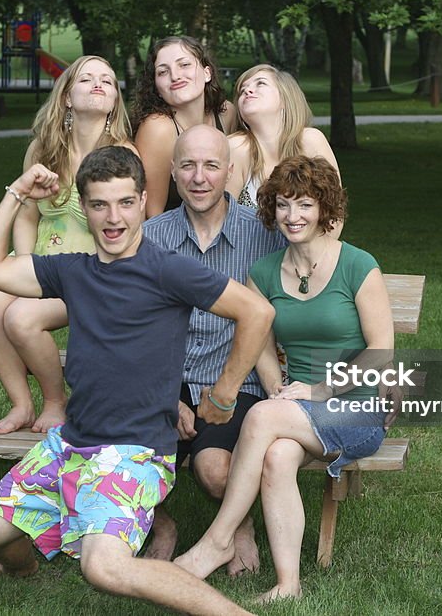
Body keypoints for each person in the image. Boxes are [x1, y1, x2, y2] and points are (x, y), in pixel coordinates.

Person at [0, 146, 273, 616]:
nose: (113, 217)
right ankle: (24, 569)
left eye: (125, 203)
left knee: (103, 568)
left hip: (134, 450)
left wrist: (224, 393)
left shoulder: (166, 268)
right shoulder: (74, 270)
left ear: (144, 201)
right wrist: (18, 193)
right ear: (83, 208)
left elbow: (256, 311)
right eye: (100, 204)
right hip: (71, 443)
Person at [175, 155, 402, 603]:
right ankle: (288, 584)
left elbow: (381, 352)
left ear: (324, 210)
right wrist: (279, 387)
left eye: (304, 205)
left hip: (356, 405)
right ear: (271, 210)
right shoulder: (263, 273)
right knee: (277, 456)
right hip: (297, 408)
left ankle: (217, 540)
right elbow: (259, 343)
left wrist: (319, 391)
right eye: (283, 205)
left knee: (261, 419)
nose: (293, 217)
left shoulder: (357, 265)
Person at [143, 125, 286, 572]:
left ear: (230, 174)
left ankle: (235, 527)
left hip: (235, 381)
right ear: (172, 172)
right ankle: (161, 524)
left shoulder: (265, 236)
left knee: (215, 473)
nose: (199, 177)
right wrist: (169, 396)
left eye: (210, 166)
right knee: (124, 459)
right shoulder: (150, 238)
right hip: (164, 380)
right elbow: (137, 330)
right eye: (187, 165)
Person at [0, 55, 136, 435]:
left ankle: (54, 400)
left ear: (114, 101)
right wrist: (26, 264)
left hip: (89, 269)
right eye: (87, 79)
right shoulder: (43, 150)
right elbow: (28, 216)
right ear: (66, 96)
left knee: (20, 318)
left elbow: (126, 228)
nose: (98, 84)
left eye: (107, 81)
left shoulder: (122, 156)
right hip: (42, 257)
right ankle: (20, 403)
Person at [226, 65, 341, 233]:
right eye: (242, 90)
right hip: (250, 256)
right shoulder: (236, 148)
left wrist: (313, 257)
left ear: (285, 98)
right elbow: (222, 222)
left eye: (260, 84)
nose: (248, 91)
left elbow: (335, 214)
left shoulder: (311, 141)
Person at [132, 36, 238, 218]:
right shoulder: (158, 129)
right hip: (170, 239)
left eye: (184, 65)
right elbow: (151, 214)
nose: (175, 76)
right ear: (157, 87)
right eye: (163, 72)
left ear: (207, 73)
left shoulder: (226, 113)